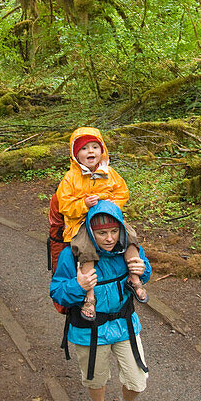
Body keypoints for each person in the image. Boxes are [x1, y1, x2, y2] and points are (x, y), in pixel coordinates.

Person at [50, 201, 152, 401]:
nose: (109, 238)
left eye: (114, 231)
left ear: (121, 230)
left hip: (124, 324)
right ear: (90, 231)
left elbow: (143, 272)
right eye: (102, 233)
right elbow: (57, 292)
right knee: (95, 379)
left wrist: (142, 269)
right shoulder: (72, 255)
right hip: (90, 329)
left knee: (137, 378)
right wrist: (79, 285)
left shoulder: (127, 249)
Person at [55, 127, 147, 321]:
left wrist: (111, 204)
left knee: (129, 236)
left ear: (102, 150)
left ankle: (135, 278)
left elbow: (123, 192)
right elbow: (64, 205)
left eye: (95, 147)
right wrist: (83, 204)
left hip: (107, 219)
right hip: (81, 224)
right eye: (84, 148)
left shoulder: (109, 173)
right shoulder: (71, 178)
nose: (90, 151)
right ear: (75, 154)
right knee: (85, 248)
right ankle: (89, 295)